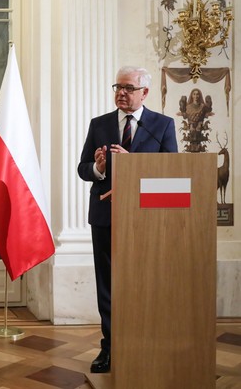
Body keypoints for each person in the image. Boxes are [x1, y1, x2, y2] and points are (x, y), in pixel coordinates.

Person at [77, 66, 177, 373]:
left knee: (144, 282)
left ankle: (145, 343)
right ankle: (110, 347)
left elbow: (172, 173)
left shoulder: (161, 125)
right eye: (117, 87)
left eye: (128, 88)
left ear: (144, 93)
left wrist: (134, 166)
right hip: (105, 216)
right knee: (107, 284)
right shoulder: (100, 124)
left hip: (147, 218)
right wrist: (99, 167)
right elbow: (83, 170)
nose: (121, 92)